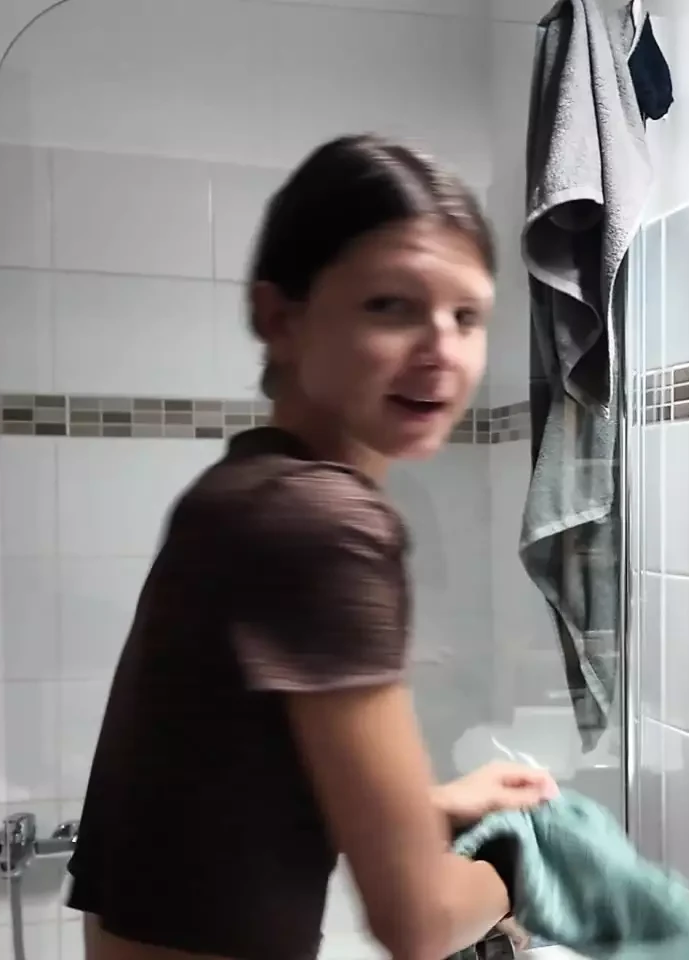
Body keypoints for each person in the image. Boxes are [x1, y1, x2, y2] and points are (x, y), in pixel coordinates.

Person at [66, 134, 558, 960]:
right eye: (390, 305)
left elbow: (230, 808)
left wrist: (430, 808)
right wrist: (534, 867)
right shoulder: (323, 521)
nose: (442, 349)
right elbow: (419, 921)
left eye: (467, 315)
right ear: (280, 318)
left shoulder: (240, 491)